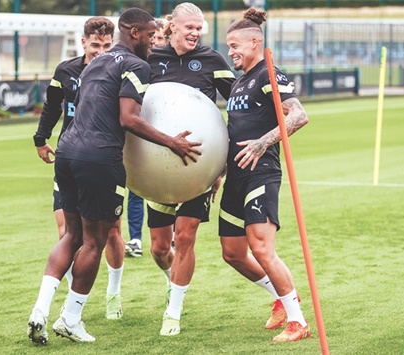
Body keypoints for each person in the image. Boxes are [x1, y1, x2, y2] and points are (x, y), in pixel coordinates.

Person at [46, 7, 201, 344]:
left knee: (70, 236)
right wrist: (172, 142)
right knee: (93, 241)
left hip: (67, 151)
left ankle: (40, 310)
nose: (152, 41)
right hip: (99, 158)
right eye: (149, 35)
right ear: (134, 33)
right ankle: (70, 317)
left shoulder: (95, 63)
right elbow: (128, 119)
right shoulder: (136, 65)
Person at [28, 16, 125, 346]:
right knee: (74, 234)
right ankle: (67, 312)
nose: (100, 52)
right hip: (79, 159)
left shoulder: (117, 70)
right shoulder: (65, 71)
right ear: (83, 43)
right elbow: (52, 106)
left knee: (109, 233)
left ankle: (112, 293)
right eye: (95, 45)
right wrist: (41, 138)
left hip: (96, 159)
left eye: (107, 46)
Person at [220, 8, 310, 343]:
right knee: (232, 252)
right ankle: (282, 297)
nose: (231, 52)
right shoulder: (241, 80)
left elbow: (298, 116)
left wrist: (261, 143)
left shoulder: (269, 74)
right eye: (229, 46)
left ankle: (298, 322)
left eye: (235, 45)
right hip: (235, 176)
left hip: (262, 172)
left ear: (255, 42)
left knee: (261, 247)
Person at [145, 2, 235, 336]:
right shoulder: (151, 58)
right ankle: (172, 282)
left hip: (199, 168)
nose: (195, 33)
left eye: (199, 29)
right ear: (173, 28)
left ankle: (174, 311)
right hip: (155, 171)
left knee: (185, 236)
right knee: (158, 247)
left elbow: (235, 105)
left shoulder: (212, 60)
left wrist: (222, 160)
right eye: (189, 28)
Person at [124, 19, 167, 258]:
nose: (156, 43)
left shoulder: (168, 67)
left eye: (160, 39)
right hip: (140, 137)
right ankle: (135, 239)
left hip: (165, 139)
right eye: (154, 38)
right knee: (136, 191)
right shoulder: (138, 65)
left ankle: (167, 239)